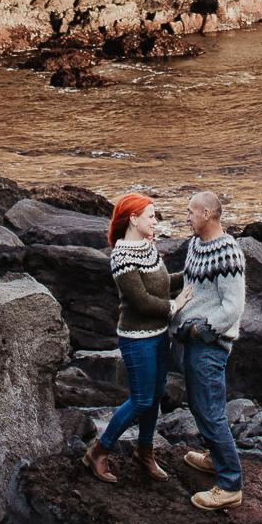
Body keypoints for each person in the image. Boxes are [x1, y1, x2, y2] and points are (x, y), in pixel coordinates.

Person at [85, 193, 176, 483]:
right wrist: (177, 305)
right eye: (150, 216)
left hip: (160, 334)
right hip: (137, 339)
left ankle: (144, 452)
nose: (155, 221)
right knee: (141, 400)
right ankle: (99, 451)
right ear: (133, 219)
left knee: (157, 394)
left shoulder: (149, 248)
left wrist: (195, 273)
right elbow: (142, 301)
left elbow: (163, 284)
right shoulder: (121, 255)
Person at [171, 188, 247, 511]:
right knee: (200, 406)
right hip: (190, 340)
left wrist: (200, 329)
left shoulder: (228, 252)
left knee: (212, 410)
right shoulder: (194, 246)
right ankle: (216, 458)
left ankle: (230, 483)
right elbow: (190, 286)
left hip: (210, 344)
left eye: (190, 211)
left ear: (207, 214)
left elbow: (233, 306)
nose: (186, 217)